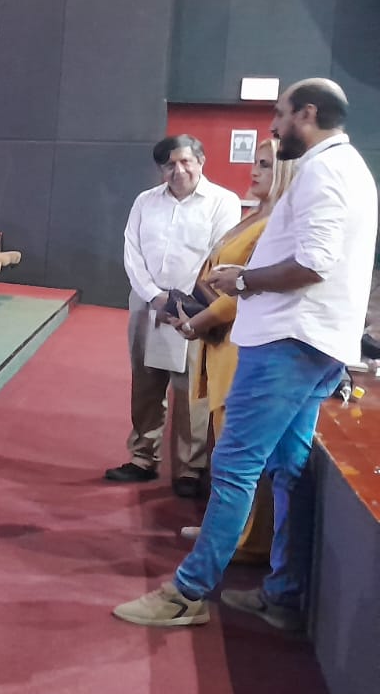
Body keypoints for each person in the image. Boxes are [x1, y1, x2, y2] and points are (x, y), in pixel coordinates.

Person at [114, 79, 376, 631]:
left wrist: (244, 280)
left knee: (234, 466)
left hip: (288, 342)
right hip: (310, 342)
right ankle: (283, 593)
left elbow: (315, 263)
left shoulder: (324, 171)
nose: (274, 126)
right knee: (288, 468)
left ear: (307, 113)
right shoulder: (346, 167)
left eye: (280, 114)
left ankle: (188, 593)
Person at [165, 140, 297, 560]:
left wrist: (198, 321)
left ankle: (248, 540)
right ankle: (227, 529)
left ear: (287, 171)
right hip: (220, 342)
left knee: (240, 454)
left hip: (242, 343)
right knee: (225, 449)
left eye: (265, 164)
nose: (254, 170)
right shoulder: (255, 215)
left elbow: (246, 291)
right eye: (256, 162)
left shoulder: (278, 225)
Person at [105, 134, 238, 494]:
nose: (178, 170)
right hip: (147, 302)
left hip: (196, 307)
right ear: (160, 169)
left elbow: (217, 257)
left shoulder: (223, 202)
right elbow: (132, 250)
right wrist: (154, 296)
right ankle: (142, 458)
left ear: (201, 161)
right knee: (145, 382)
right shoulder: (145, 201)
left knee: (191, 389)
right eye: (169, 165)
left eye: (185, 161)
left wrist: (179, 303)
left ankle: (189, 469)